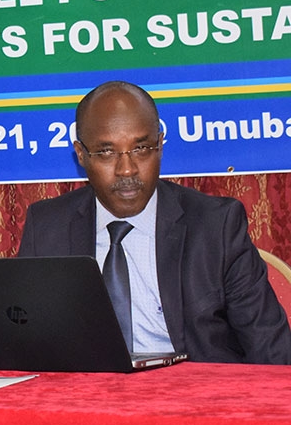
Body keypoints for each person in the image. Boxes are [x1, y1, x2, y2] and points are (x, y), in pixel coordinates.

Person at [18, 80, 291, 364]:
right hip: (89, 389)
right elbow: (26, 343)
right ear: (81, 155)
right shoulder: (47, 227)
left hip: (197, 387)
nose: (127, 170)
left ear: (160, 145)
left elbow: (271, 349)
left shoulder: (216, 226)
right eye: (107, 152)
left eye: (141, 148)